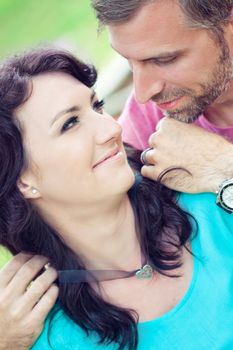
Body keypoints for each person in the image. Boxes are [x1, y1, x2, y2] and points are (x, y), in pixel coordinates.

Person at [0, 47, 232, 350]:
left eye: (97, 107)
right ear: (22, 180)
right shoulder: (36, 334)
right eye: (69, 124)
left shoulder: (214, 202)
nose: (111, 128)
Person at [92, 0, 233, 196]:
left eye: (163, 60)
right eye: (129, 62)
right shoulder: (149, 114)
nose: (143, 94)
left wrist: (223, 165)